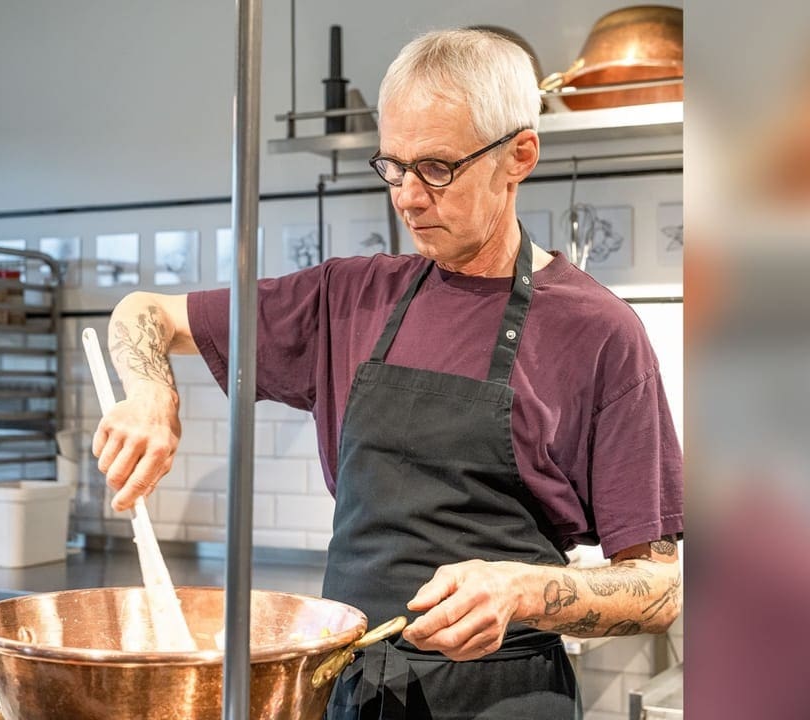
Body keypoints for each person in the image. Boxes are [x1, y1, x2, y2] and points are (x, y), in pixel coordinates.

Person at [92, 28, 684, 719]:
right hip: (353, 689)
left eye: (436, 167)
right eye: (393, 166)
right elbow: (143, 313)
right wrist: (150, 393)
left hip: (505, 698)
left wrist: (520, 591)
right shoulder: (348, 296)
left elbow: (661, 588)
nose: (406, 197)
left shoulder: (598, 333)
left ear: (519, 155)